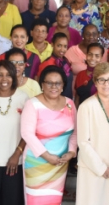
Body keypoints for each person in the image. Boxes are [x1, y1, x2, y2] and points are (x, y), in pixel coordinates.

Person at [75, 62, 109, 205]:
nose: (106, 84)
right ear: (95, 82)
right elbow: (83, 142)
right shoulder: (86, 106)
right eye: (102, 80)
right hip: (91, 168)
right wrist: (101, 168)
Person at [21, 65, 77, 204]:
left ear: (63, 85)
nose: (54, 86)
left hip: (59, 163)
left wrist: (71, 153)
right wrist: (47, 156)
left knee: (54, 201)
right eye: (49, 83)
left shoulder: (69, 104)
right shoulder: (32, 104)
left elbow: (75, 132)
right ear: (42, 84)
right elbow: (27, 134)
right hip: (36, 163)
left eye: (58, 83)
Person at [0, 60, 28, 205]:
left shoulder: (23, 98)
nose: (4, 79)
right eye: (0, 75)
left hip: (14, 163)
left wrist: (17, 154)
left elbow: (28, 131)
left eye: (8, 75)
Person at [37, 33, 73, 99]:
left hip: (67, 99)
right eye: (59, 46)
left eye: (65, 46)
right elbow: (40, 85)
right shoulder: (47, 63)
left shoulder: (66, 62)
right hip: (52, 101)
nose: (62, 49)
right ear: (52, 44)